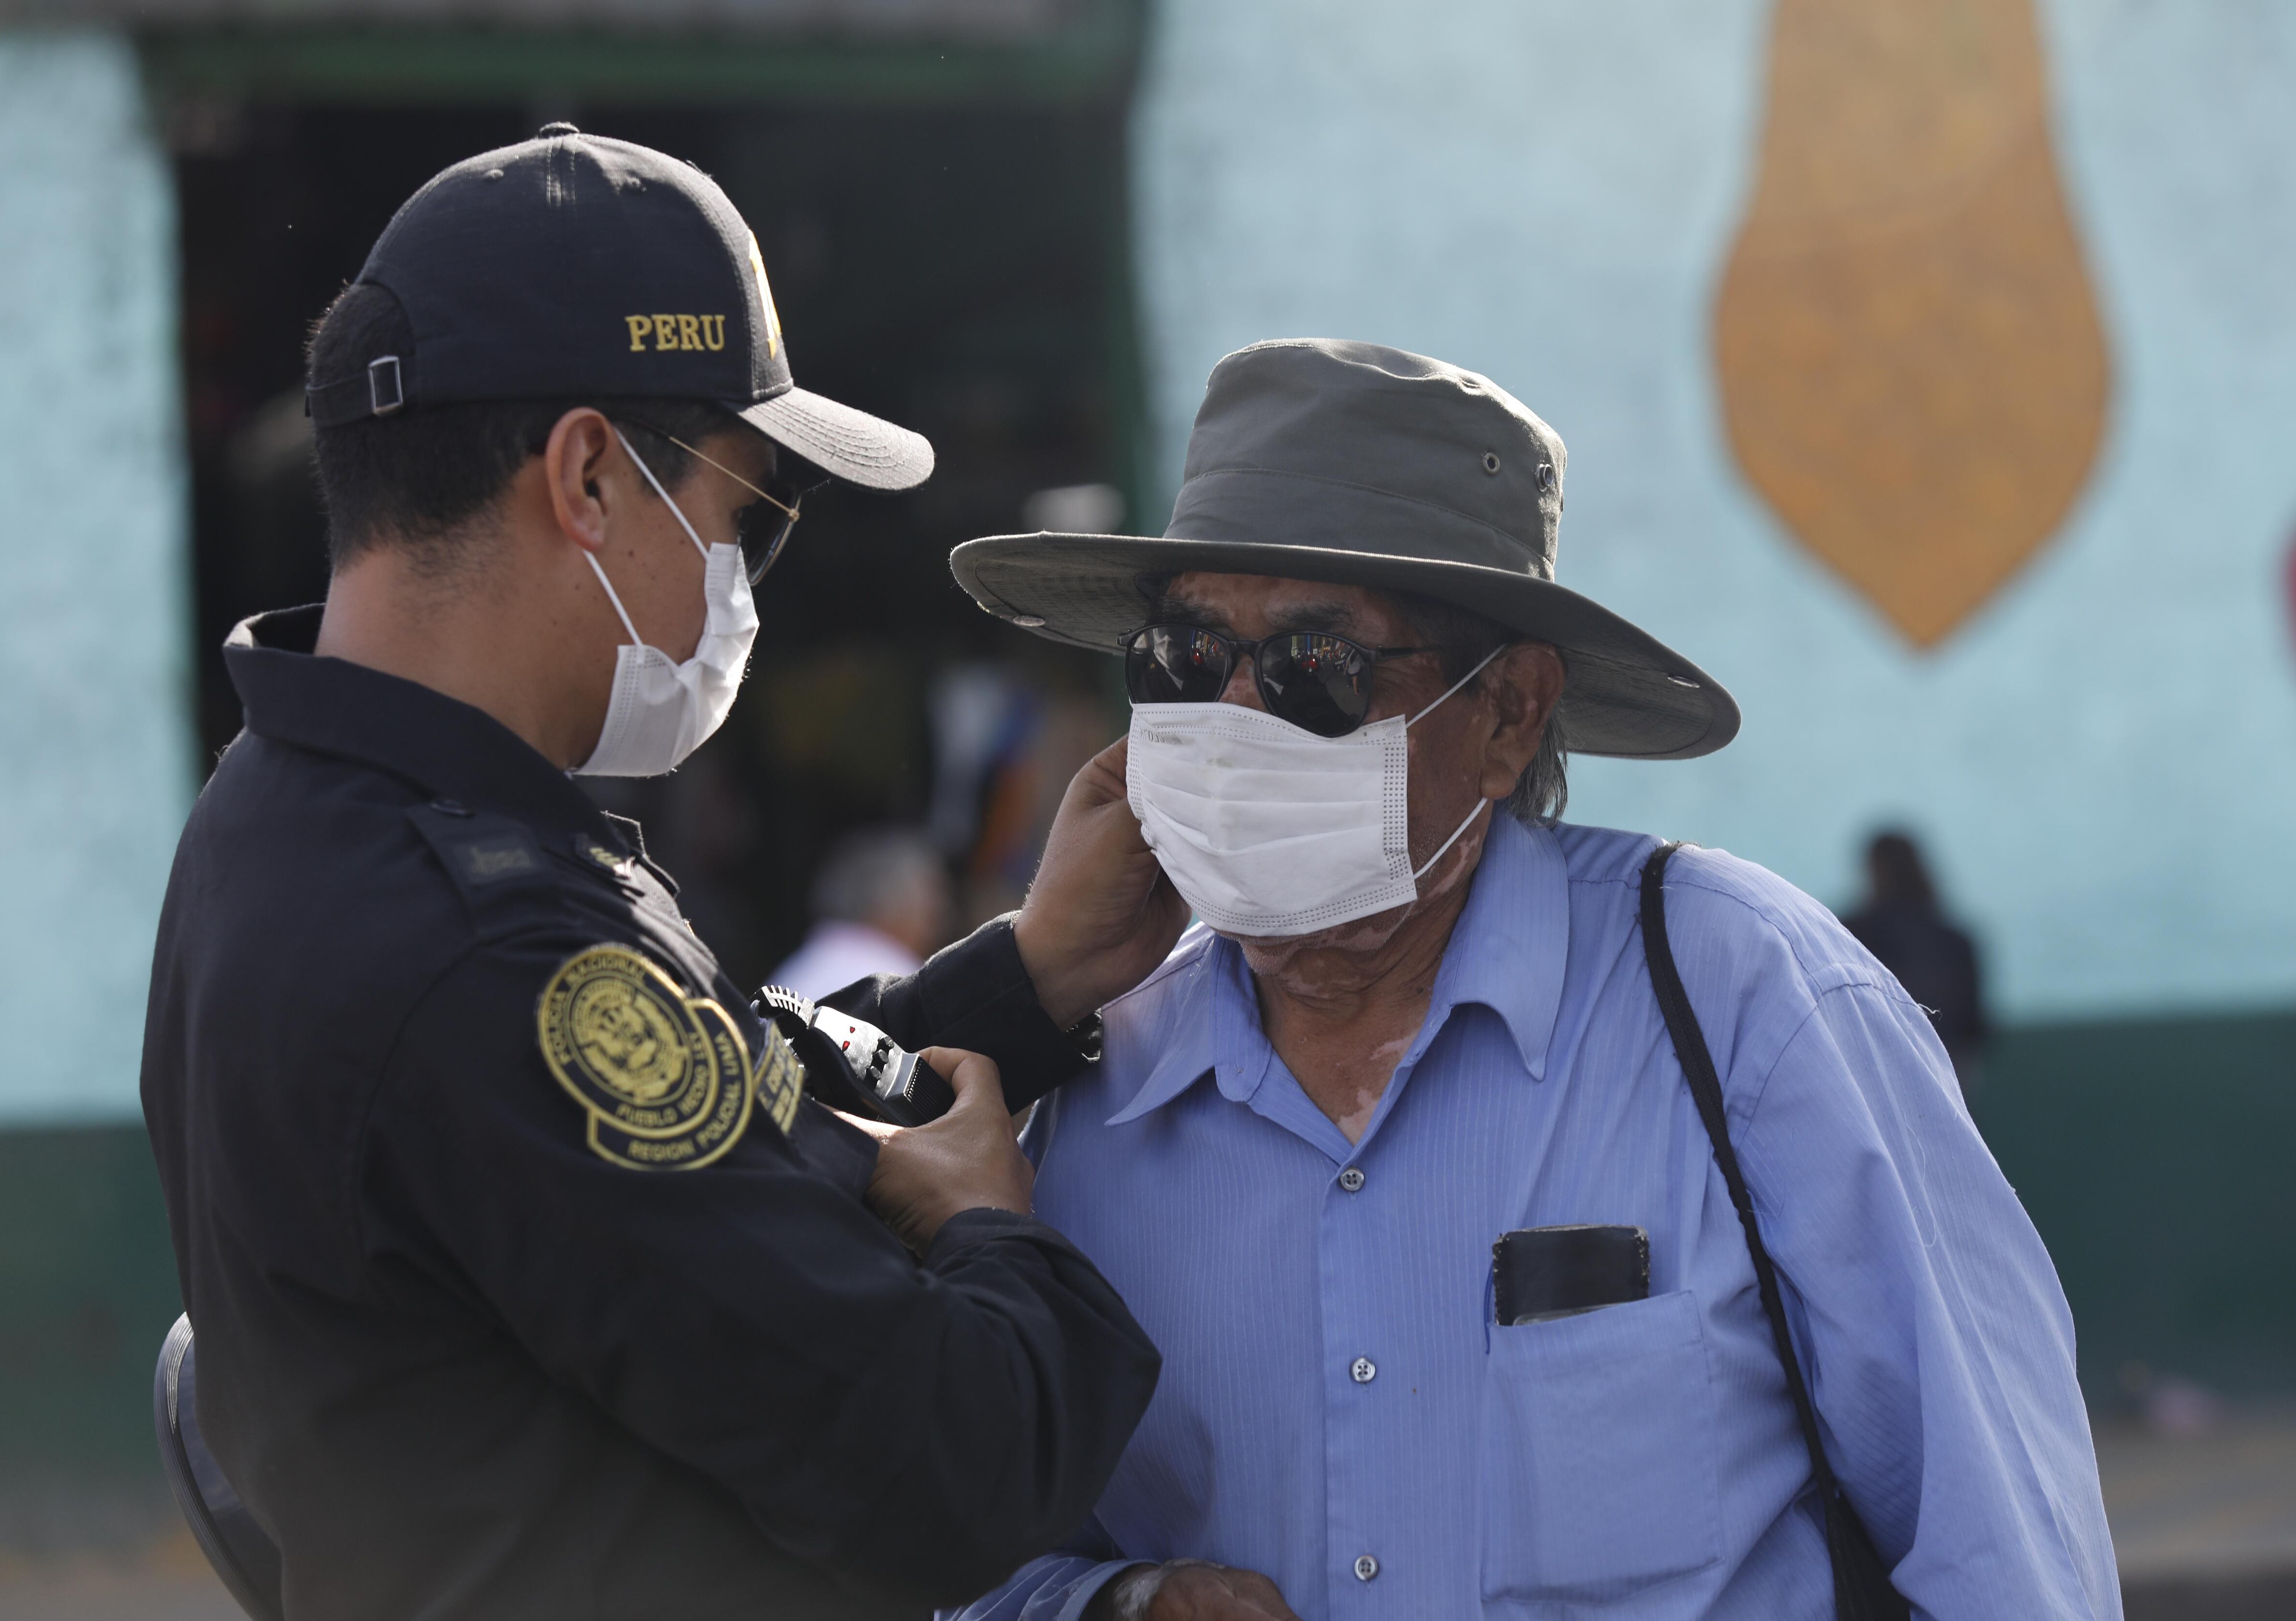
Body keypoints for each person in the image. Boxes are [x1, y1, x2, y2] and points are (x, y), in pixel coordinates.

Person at [141, 126, 1187, 1621]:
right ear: (584, 474)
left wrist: (1023, 981)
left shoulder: (293, 806)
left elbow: (717, 1106)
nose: (741, 578)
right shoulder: (484, 948)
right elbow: (952, 1459)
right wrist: (988, 1231)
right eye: (741, 513)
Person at [943, 339, 2120, 1620]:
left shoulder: (1747, 1003)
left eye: (1314, 666)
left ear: (1507, 714)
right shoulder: (1084, 1092)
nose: (1230, 717)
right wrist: (1117, 1602)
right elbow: (957, 1561)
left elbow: (2004, 1552)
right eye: (1182, 657)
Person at [1842, 829, 1989, 1088]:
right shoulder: (1957, 941)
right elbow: (1975, 1028)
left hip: (1869, 1077)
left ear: (1873, 871)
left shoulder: (1849, 935)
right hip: (1948, 1075)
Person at [772, 827, 954, 997]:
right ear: (887, 903)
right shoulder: (897, 982)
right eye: (931, 904)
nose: (941, 920)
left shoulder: (801, 966)